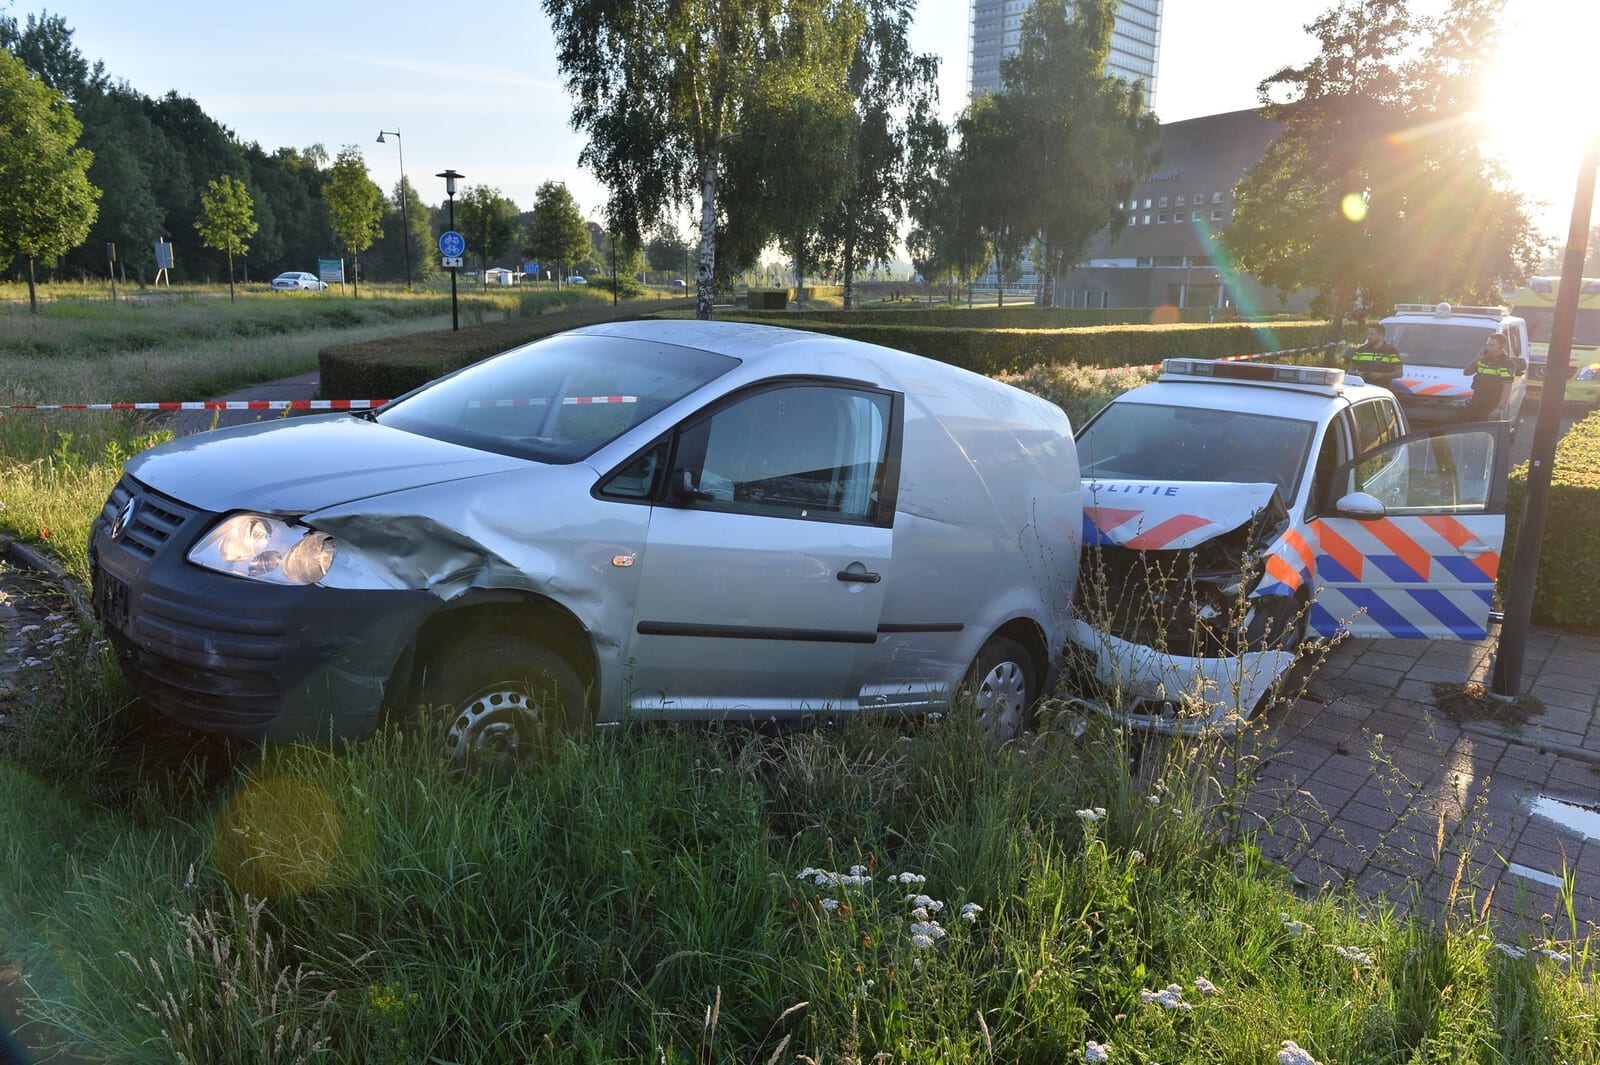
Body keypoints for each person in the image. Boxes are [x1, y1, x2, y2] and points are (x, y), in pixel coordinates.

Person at [1461, 333, 1517, 421]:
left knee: (1484, 431)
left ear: (1501, 347)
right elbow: (1466, 372)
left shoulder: (1506, 363)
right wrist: (1477, 359)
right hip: (1476, 400)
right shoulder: (1483, 359)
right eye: (1488, 345)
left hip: (1491, 403)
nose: (1488, 348)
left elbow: (1507, 387)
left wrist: (1499, 408)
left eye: (1492, 345)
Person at [1347, 324, 1402, 389]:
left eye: (1372, 334)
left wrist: (1382, 376)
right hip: (1362, 388)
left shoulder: (1391, 351)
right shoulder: (1361, 350)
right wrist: (1358, 374)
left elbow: (1399, 373)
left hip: (1383, 389)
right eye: (1368, 334)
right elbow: (1350, 370)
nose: (1369, 337)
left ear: (1381, 335)